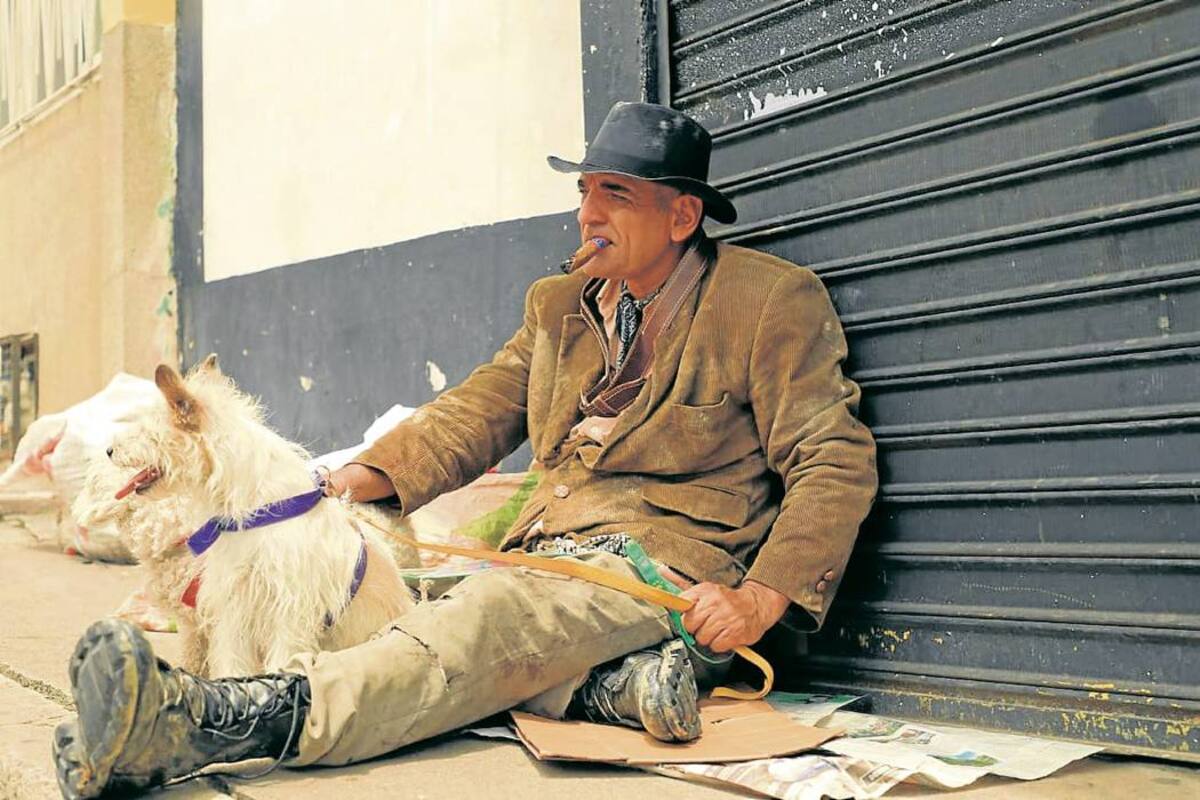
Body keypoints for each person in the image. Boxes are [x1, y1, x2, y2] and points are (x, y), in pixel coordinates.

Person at [52, 102, 877, 799]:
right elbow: (475, 411)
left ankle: (210, 724)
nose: (588, 216)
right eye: (585, 192)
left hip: (662, 568)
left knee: (467, 636)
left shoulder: (767, 301)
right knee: (430, 617)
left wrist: (761, 598)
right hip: (545, 561)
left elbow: (832, 457)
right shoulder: (562, 304)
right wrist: (351, 480)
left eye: (615, 196)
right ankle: (617, 689)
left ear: (681, 216)